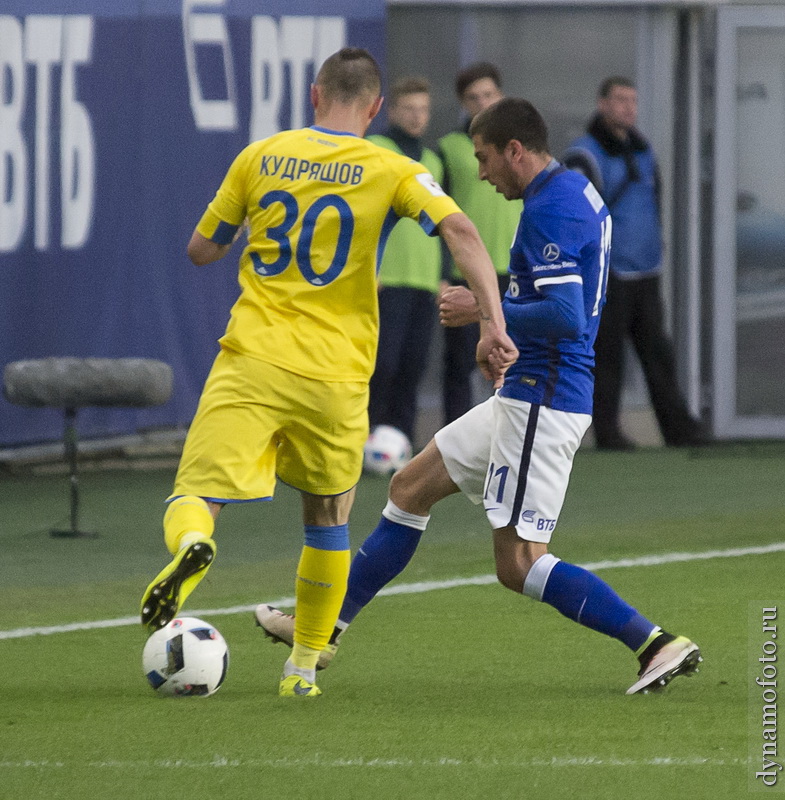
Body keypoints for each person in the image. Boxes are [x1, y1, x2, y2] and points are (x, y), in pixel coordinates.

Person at [256, 97, 702, 695]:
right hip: (526, 389)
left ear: (516, 150)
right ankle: (324, 628)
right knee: (408, 488)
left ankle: (654, 643)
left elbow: (568, 316)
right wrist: (499, 330)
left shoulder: (552, 209)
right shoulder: (569, 191)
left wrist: (484, 312)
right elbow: (552, 298)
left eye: (487, 159)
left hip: (543, 401)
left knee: (518, 563)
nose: (483, 174)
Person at [139, 48, 517, 698]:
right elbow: (460, 231)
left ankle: (192, 547)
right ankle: (302, 670)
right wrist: (491, 321)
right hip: (336, 376)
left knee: (197, 490)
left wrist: (247, 229)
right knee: (327, 518)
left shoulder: (259, 156)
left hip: (254, 356)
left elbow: (201, 249)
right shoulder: (392, 166)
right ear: (374, 108)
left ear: (315, 95)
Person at [563, 76, 710, 451]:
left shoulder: (643, 150)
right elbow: (577, 214)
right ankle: (607, 433)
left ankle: (680, 430)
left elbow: (654, 200)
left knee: (658, 353)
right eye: (619, 100)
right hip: (609, 273)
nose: (628, 107)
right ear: (602, 104)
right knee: (607, 355)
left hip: (646, 269)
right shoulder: (585, 154)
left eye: (633, 100)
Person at [438, 63, 522, 425]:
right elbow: (436, 215)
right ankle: (455, 435)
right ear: (463, 103)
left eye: (488, 94)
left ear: (501, 95)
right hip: (468, 270)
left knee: (515, 354)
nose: (482, 103)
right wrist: (441, 272)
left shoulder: (520, 149)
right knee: (461, 362)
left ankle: (511, 427)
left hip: (515, 267)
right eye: (473, 97)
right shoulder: (449, 149)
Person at [366, 77, 443, 448]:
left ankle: (402, 444)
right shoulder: (375, 149)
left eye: (423, 109)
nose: (417, 116)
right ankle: (365, 439)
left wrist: (443, 275)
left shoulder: (432, 160)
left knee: (413, 367)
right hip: (386, 278)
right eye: (409, 108)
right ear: (392, 110)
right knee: (382, 365)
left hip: (424, 280)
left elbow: (444, 221)